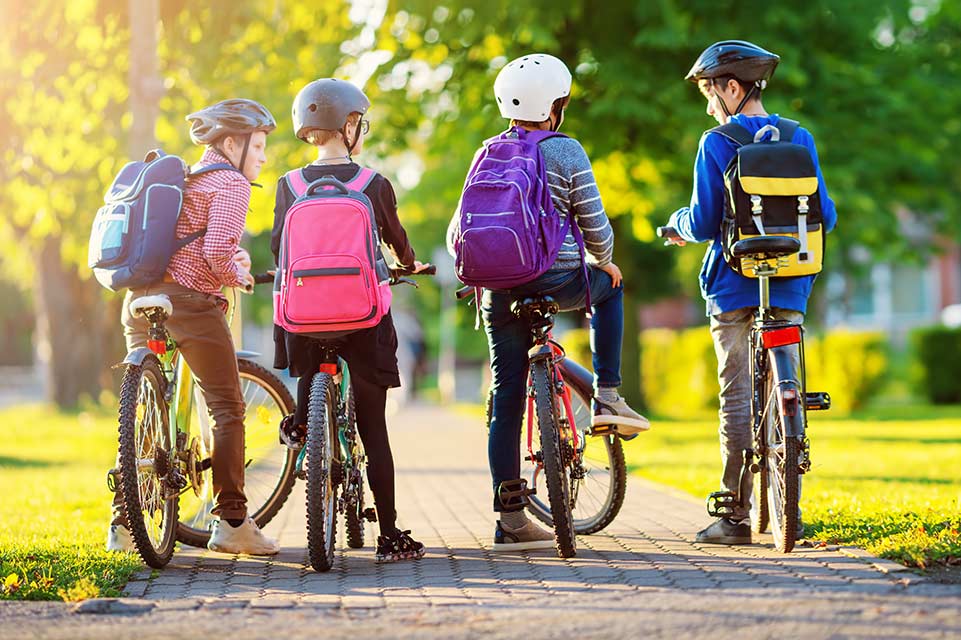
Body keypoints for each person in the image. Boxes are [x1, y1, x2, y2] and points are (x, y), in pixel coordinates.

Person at [446, 54, 650, 552]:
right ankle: (608, 392)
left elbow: (457, 232)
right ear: (556, 105)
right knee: (613, 287)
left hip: (497, 289)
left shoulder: (486, 151)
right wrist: (606, 261)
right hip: (557, 279)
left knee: (507, 394)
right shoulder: (567, 151)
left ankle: (510, 518)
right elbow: (596, 226)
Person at [665, 41, 837, 544]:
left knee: (736, 393)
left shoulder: (717, 142)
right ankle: (792, 483)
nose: (708, 104)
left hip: (733, 286)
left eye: (709, 92)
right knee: (788, 372)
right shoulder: (799, 136)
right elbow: (824, 214)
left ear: (732, 88)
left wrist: (674, 226)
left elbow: (699, 222)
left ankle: (734, 513)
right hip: (790, 284)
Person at [107, 98, 281, 556]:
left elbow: (191, 240)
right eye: (259, 145)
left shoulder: (186, 178)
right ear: (231, 143)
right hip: (189, 303)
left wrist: (230, 260)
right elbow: (215, 254)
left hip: (141, 299)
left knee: (146, 404)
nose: (263, 156)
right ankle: (233, 522)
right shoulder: (231, 182)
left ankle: (124, 525)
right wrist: (239, 273)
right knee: (227, 406)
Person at [272, 78, 429, 563]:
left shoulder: (289, 185)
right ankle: (390, 535)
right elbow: (397, 242)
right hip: (363, 318)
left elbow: (279, 247)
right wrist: (410, 263)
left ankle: (303, 425)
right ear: (350, 124)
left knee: (307, 361)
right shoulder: (373, 184)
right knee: (373, 428)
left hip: (302, 317)